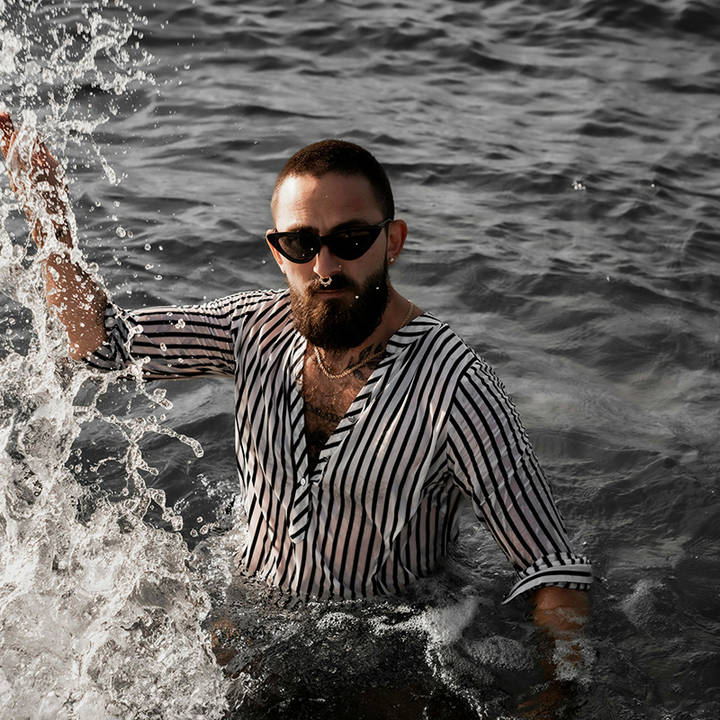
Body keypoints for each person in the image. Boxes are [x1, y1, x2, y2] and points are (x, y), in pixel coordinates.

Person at [1, 111, 591, 715]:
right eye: (302, 244)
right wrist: (48, 214)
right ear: (278, 252)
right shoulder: (251, 330)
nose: (325, 267)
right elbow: (102, 346)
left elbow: (551, 568)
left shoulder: (457, 388)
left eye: (350, 241)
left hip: (387, 651)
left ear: (393, 241)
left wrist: (556, 696)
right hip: (250, 619)